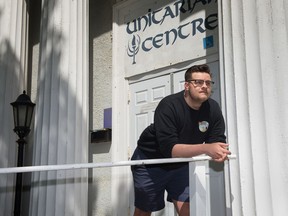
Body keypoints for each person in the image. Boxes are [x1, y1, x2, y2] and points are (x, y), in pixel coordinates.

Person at [131, 64, 231, 216]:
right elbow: (170, 149)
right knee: (144, 210)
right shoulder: (169, 105)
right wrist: (207, 149)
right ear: (186, 85)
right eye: (198, 82)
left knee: (187, 211)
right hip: (150, 162)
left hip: (181, 163)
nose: (204, 86)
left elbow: (216, 141)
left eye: (208, 83)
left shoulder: (213, 109)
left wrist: (219, 152)